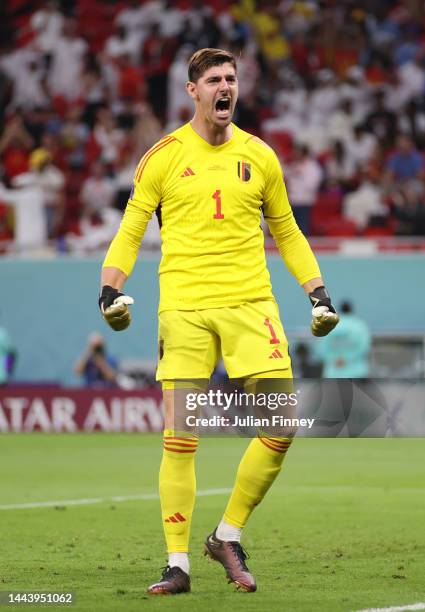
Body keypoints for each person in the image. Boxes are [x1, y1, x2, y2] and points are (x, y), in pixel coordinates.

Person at [98, 48, 339, 595]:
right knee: (181, 437)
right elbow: (131, 230)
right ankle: (177, 564)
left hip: (252, 305)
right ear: (193, 90)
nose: (225, 87)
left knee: (281, 424)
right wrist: (110, 287)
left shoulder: (261, 156)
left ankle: (226, 534)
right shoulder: (161, 157)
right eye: (214, 80)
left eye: (232, 78)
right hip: (183, 309)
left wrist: (318, 294)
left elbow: (289, 232)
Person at [317, 301, 371, 378]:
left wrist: (334, 359)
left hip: (333, 373)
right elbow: (364, 347)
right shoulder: (359, 326)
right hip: (356, 372)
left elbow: (321, 348)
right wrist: (347, 359)